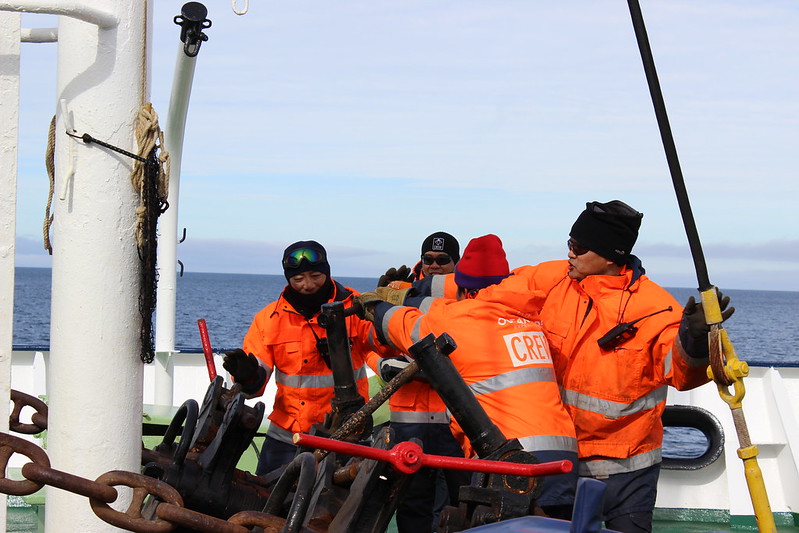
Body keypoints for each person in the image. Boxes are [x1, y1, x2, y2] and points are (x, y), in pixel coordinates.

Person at [475, 200, 733, 532]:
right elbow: (482, 300)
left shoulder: (658, 312)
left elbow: (684, 374)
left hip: (628, 471)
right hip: (558, 460)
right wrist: (408, 298)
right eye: (569, 242)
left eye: (579, 247)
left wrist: (695, 342)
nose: (570, 252)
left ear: (611, 255)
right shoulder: (551, 280)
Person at [360, 234, 579, 521]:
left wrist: (375, 306)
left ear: (461, 287)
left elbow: (397, 323)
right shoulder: (530, 322)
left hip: (507, 460)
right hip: (564, 458)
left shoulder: (456, 320)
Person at [222, 240, 392, 475]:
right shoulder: (268, 319)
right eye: (299, 279)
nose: (308, 285)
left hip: (347, 434)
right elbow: (254, 389)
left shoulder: (357, 308)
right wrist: (248, 375)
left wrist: (386, 314)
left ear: (327, 272)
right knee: (266, 503)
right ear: (288, 279)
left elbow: (386, 347)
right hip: (287, 438)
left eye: (315, 276)